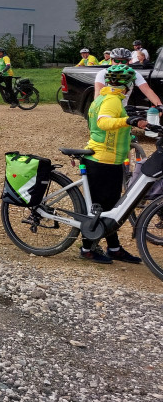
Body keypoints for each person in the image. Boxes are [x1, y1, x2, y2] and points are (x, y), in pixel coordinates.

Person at [79, 64, 145, 264]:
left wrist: (128, 121)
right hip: (103, 160)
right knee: (101, 207)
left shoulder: (104, 98)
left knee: (109, 207)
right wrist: (128, 121)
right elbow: (103, 122)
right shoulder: (111, 101)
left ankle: (114, 248)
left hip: (108, 159)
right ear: (128, 85)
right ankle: (86, 249)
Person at [93, 48, 163, 108]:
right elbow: (98, 95)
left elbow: (147, 90)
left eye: (123, 61)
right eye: (116, 61)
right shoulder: (102, 73)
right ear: (111, 60)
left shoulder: (133, 74)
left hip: (123, 109)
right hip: (106, 108)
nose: (120, 64)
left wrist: (159, 105)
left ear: (128, 61)